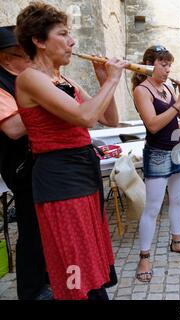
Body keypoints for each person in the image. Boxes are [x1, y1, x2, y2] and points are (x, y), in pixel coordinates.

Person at [15, 2, 128, 299]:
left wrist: (105, 81)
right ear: (39, 41)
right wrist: (114, 79)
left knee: (90, 253)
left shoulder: (64, 79)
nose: (72, 41)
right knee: (74, 258)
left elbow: (108, 118)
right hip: (59, 178)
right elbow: (84, 117)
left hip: (82, 172)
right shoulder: (29, 78)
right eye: (63, 34)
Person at [132, 45, 180, 283]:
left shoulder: (168, 87)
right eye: (162, 63)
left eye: (169, 64)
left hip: (177, 149)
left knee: (178, 199)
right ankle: (144, 256)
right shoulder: (142, 90)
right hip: (158, 151)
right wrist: (177, 102)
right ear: (149, 64)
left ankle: (177, 241)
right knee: (153, 207)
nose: (167, 68)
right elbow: (153, 125)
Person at [0, 25, 51, 300]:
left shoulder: (29, 79)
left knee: (47, 230)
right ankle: (32, 292)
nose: (32, 60)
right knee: (31, 232)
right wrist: (48, 99)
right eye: (25, 55)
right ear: (7, 58)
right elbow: (14, 128)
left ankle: (47, 279)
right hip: (22, 168)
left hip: (43, 165)